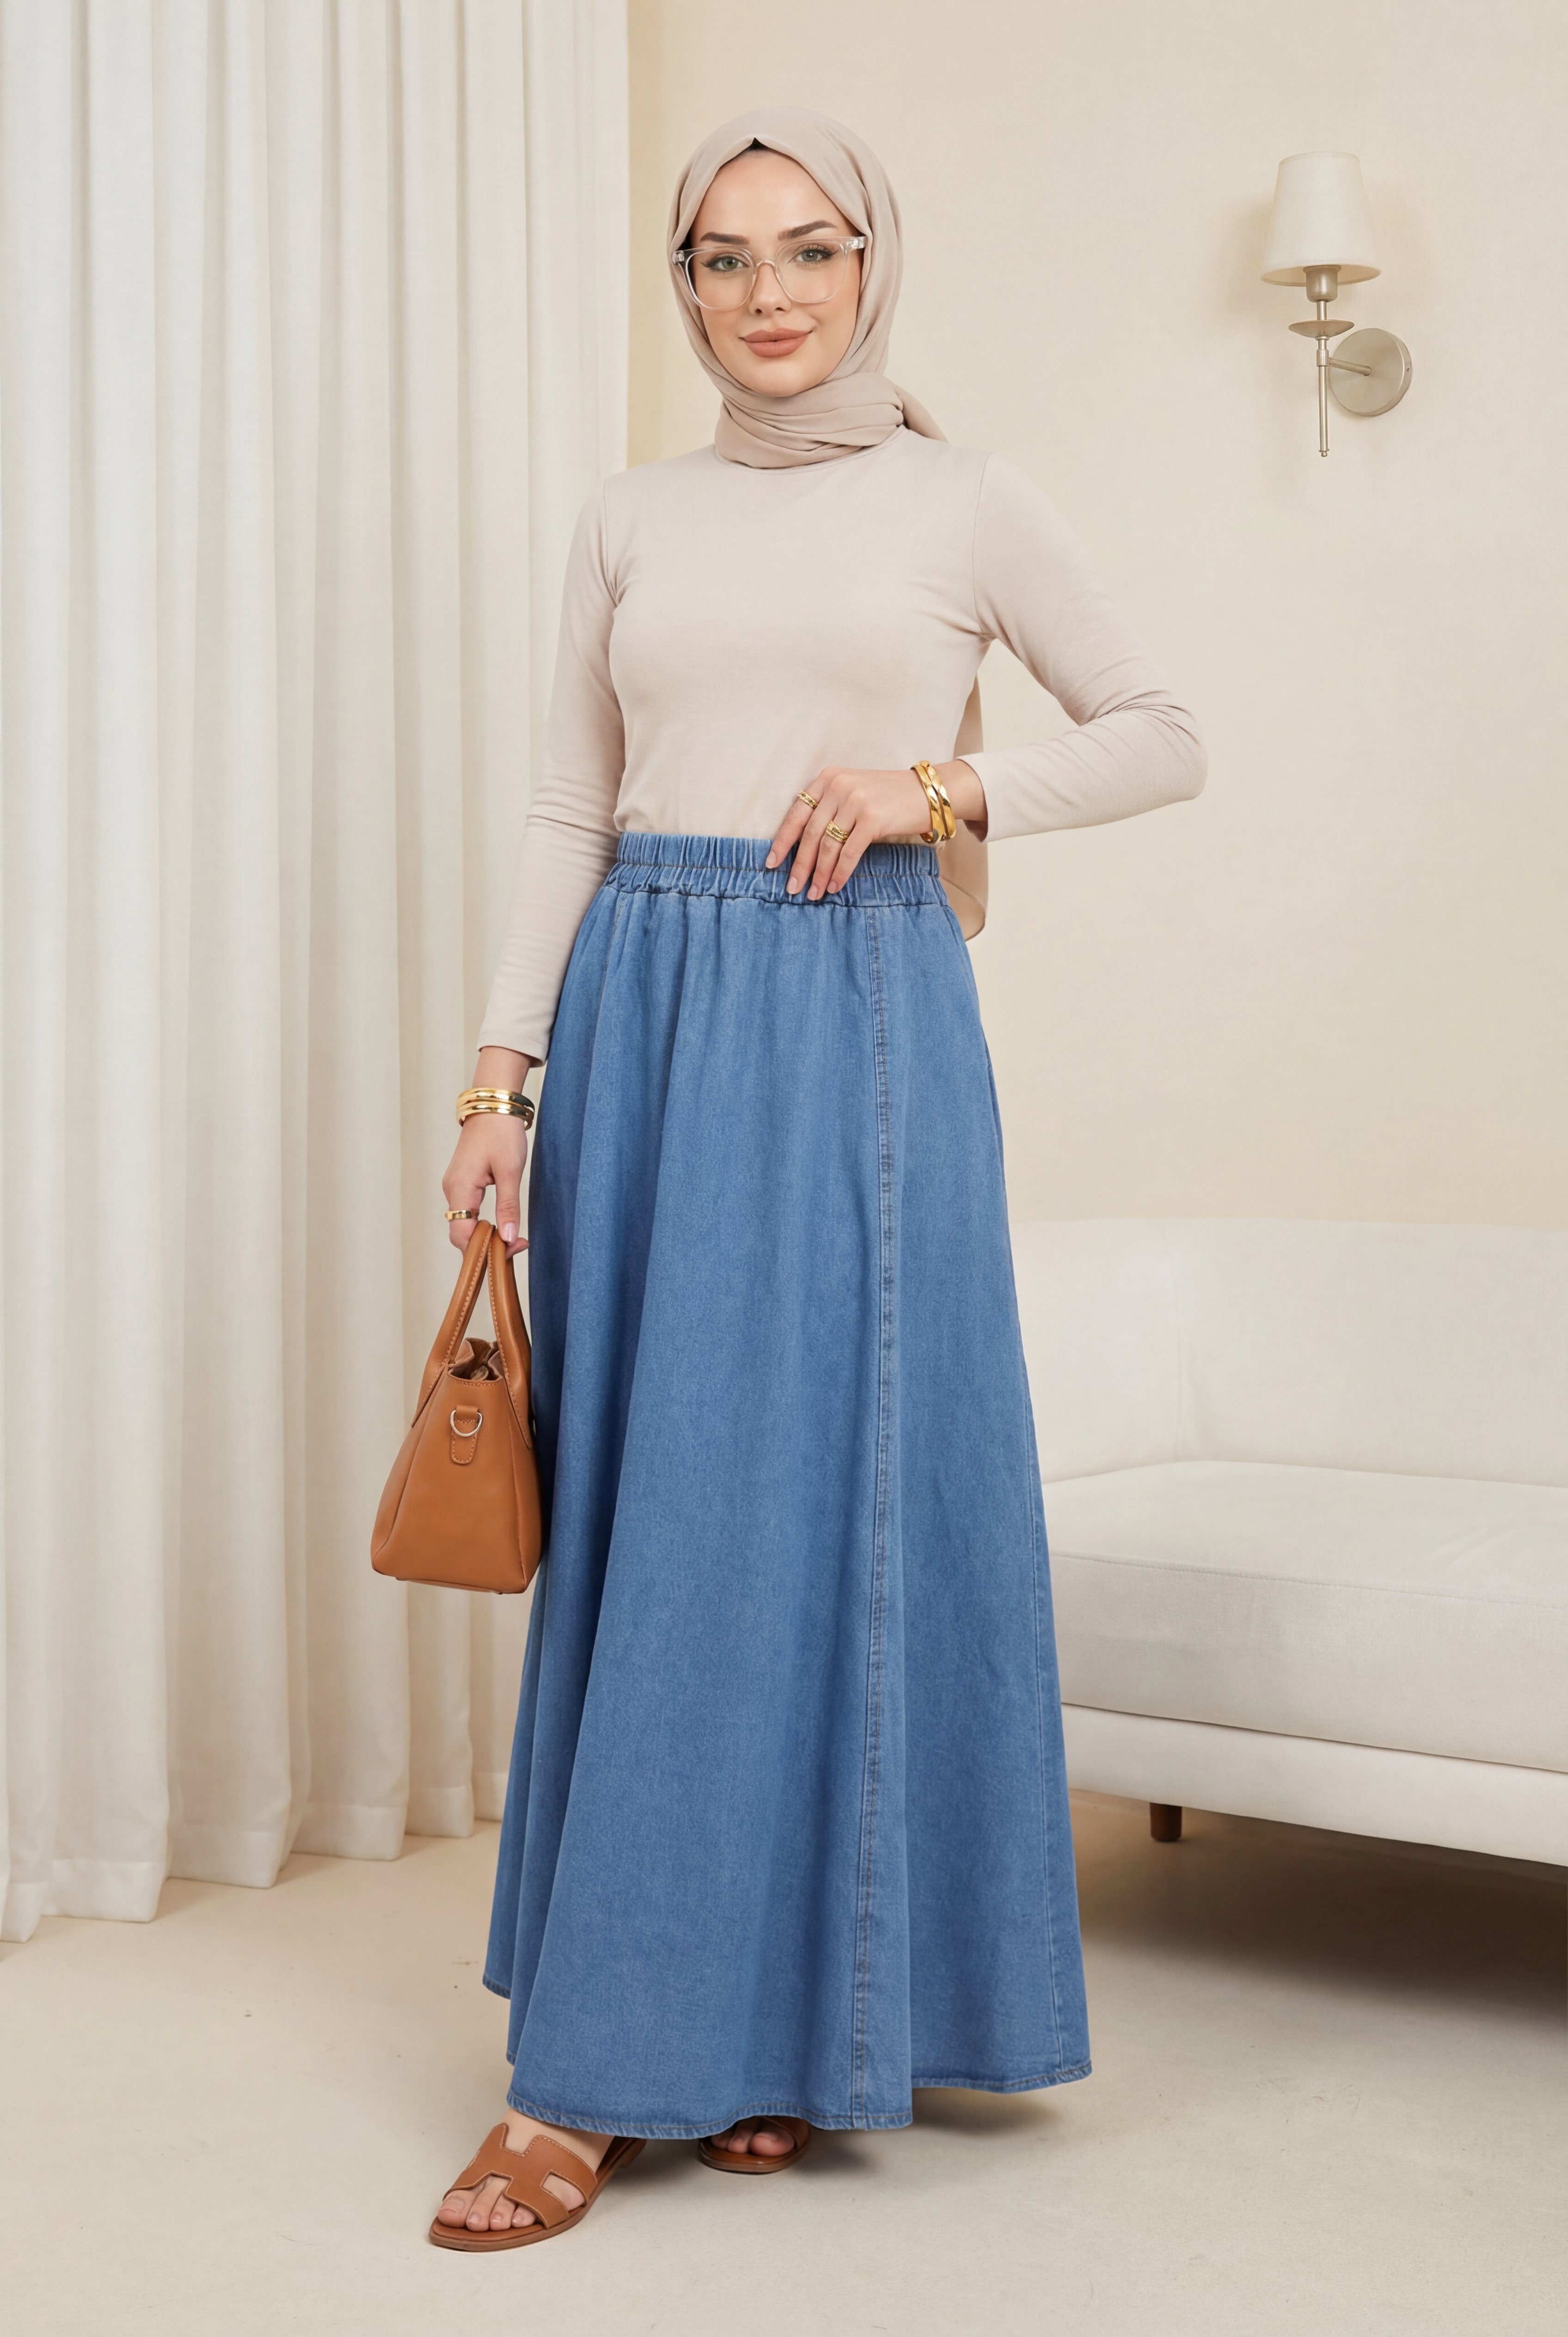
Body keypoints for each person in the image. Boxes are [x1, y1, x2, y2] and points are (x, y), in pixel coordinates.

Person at [429, 106, 1205, 2251]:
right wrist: (500, 1075)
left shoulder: (964, 497)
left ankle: (623, 2069)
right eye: (721, 257)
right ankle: (707, 2028)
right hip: (643, 1014)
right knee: (657, 1516)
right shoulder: (631, 514)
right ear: (681, 287)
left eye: (807, 248)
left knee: (812, 1510)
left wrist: (933, 782)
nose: (766, 293)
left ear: (871, 264)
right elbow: (567, 804)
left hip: (853, 1013)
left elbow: (1159, 728)